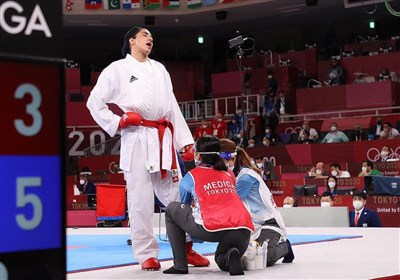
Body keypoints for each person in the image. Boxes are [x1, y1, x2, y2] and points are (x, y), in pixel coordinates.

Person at [86, 26, 208, 270]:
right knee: (140, 199)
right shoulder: (118, 69)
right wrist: (118, 122)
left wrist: (184, 141)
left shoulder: (160, 69)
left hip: (163, 137)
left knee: (175, 195)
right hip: (136, 136)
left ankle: (185, 248)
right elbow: (94, 101)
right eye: (145, 35)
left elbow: (172, 106)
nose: (150, 38)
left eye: (152, 36)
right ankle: (145, 254)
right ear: (131, 40)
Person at [163, 135, 254, 275]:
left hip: (210, 228)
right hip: (243, 230)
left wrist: (194, 237)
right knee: (222, 260)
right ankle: (231, 256)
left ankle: (180, 264)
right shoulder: (229, 174)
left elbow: (185, 208)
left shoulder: (190, 177)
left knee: (172, 209)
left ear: (198, 156)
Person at [233, 146, 295, 266]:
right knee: (246, 258)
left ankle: (285, 246)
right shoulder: (241, 174)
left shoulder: (246, 177)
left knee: (266, 258)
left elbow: (233, 201)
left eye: (230, 159)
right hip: (252, 224)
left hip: (267, 223)